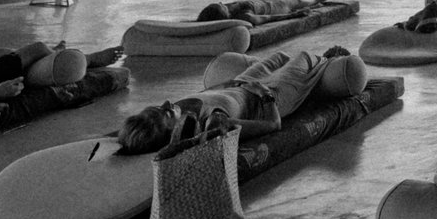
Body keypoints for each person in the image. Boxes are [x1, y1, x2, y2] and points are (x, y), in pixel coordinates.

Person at [114, 46, 367, 155]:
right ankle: (329, 62)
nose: (168, 104)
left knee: (279, 56)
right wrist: (265, 94)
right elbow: (272, 126)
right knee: (304, 56)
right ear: (174, 132)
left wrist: (237, 81)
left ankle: (309, 77)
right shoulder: (215, 122)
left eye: (160, 106)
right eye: (167, 113)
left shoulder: (179, 112)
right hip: (271, 97)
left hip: (242, 84)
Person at [197, 0, 332, 26]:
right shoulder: (245, 16)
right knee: (295, 2)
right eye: (221, 6)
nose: (222, 3)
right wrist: (294, 15)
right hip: (278, 8)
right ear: (224, 15)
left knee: (284, 0)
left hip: (265, 2)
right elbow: (267, 18)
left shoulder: (228, 9)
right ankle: (315, 2)